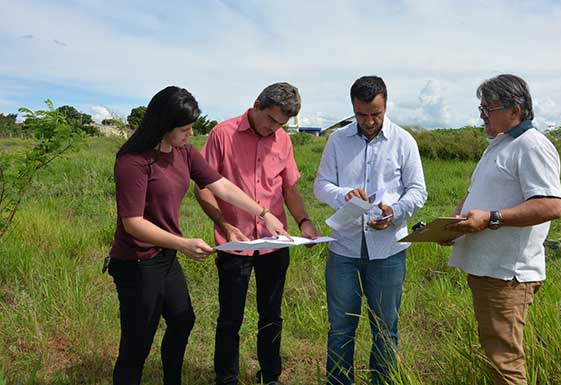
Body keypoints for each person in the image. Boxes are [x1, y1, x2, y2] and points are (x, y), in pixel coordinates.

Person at [108, 86, 288, 385]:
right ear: (163, 125)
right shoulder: (133, 162)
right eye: (185, 128)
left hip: (165, 257)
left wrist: (263, 213)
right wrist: (183, 243)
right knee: (138, 340)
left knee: (182, 320)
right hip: (136, 262)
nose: (191, 134)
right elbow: (133, 223)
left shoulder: (183, 153)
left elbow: (221, 186)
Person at [194, 82, 319, 385]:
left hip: (274, 245)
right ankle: (226, 378)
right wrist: (224, 225)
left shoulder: (282, 141)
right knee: (230, 317)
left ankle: (270, 376)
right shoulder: (222, 134)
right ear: (257, 104)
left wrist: (303, 221)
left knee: (272, 314)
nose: (273, 128)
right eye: (271, 120)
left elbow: (289, 188)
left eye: (281, 124)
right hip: (234, 243)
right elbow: (202, 189)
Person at [443, 74, 561, 385]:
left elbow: (551, 205)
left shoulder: (532, 146)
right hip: (489, 269)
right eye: (480, 108)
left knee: (505, 365)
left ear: (515, 110)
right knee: (497, 355)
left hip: (508, 274)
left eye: (489, 109)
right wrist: (454, 225)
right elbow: (475, 193)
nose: (482, 116)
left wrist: (491, 218)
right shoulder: (500, 144)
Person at [314, 75, 428, 385]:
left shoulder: (403, 141)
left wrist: (395, 211)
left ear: (385, 105)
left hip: (388, 249)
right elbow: (321, 185)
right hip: (344, 250)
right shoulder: (337, 140)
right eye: (361, 114)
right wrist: (344, 195)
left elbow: (418, 190)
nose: (368, 121)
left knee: (385, 326)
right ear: (352, 108)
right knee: (340, 327)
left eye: (375, 114)